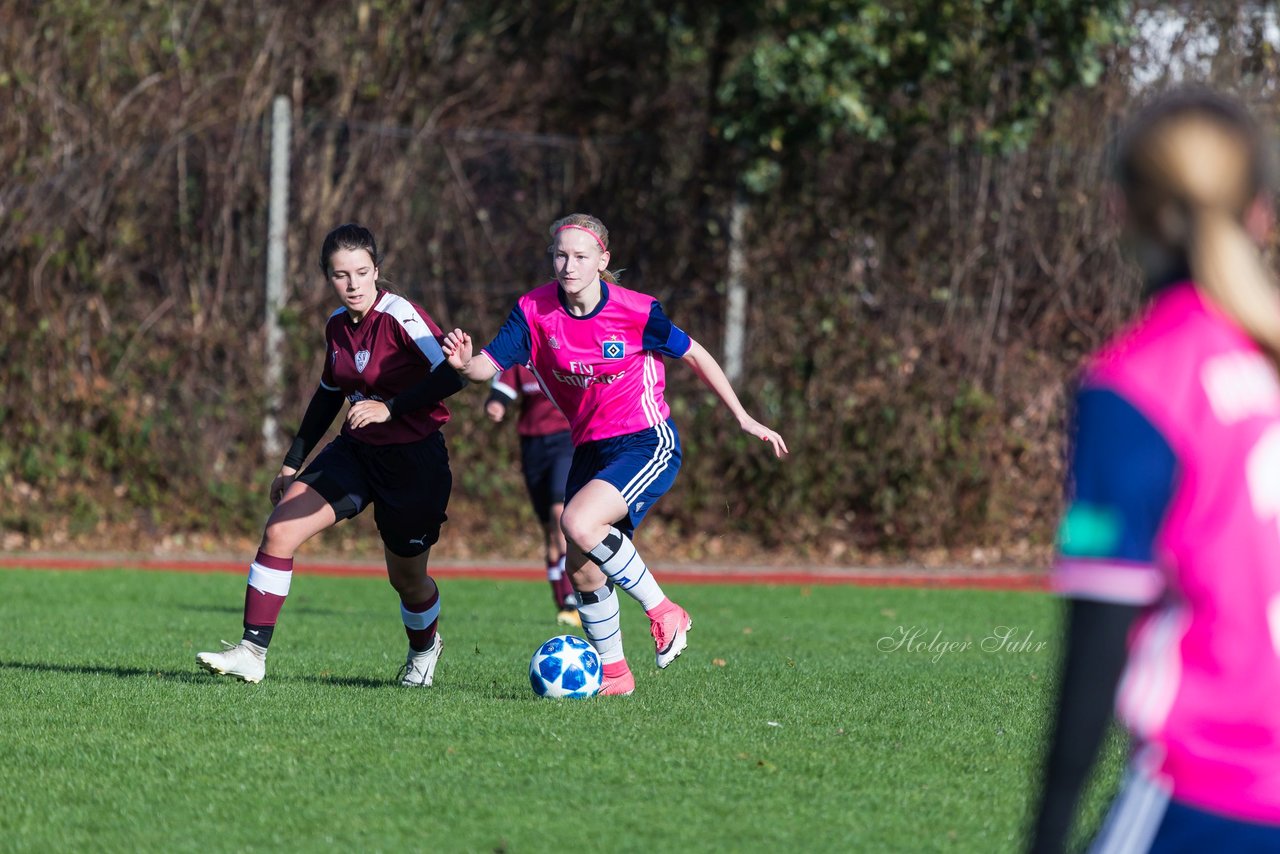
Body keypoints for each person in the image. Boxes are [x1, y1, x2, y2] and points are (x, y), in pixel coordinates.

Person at [1028, 89, 1280, 852]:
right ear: (1261, 214)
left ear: (1119, 210)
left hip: (1208, 794)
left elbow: (1098, 636)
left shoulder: (1137, 385)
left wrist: (1047, 834)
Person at [442, 213, 788, 696]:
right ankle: (617, 676)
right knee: (581, 567)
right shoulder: (534, 311)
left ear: (603, 260)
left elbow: (695, 353)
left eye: (580, 257)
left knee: (578, 523)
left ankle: (666, 611)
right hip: (589, 449)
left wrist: (744, 417)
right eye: (560, 255)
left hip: (646, 440)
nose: (568, 266)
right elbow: (487, 365)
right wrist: (463, 365)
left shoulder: (638, 311)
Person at [196, 223, 465, 687]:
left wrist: (390, 408)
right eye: (341, 275)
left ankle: (425, 650)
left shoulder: (400, 314)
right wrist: (291, 462)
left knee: (407, 579)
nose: (353, 283)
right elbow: (326, 395)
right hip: (356, 453)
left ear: (377, 271)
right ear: (328, 278)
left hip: (414, 461)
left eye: (362, 272)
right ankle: (251, 652)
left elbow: (451, 376)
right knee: (280, 529)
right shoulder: (336, 326)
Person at [485, 363, 582, 627]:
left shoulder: (564, 347)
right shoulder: (521, 355)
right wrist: (496, 405)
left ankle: (574, 597)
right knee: (550, 532)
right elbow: (502, 389)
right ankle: (564, 603)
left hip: (567, 439)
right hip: (532, 447)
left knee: (559, 514)